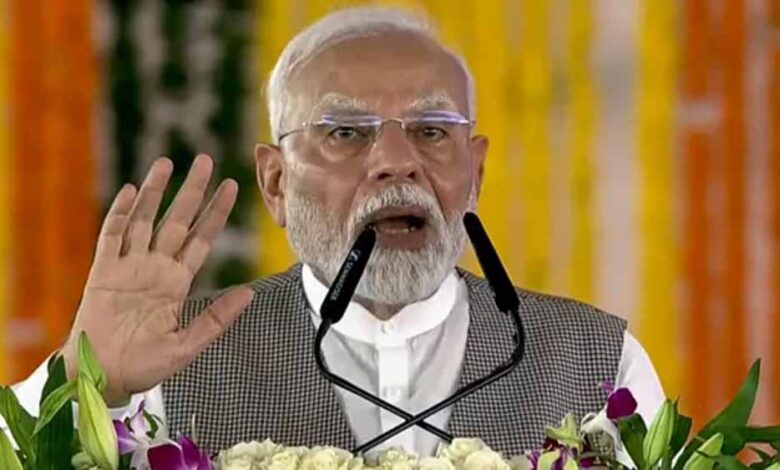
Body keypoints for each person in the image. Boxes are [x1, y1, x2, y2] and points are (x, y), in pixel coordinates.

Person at [4, 6, 664, 458]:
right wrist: (87, 384)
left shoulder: (600, 363)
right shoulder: (165, 360)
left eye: (432, 131)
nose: (396, 161)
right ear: (275, 183)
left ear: (477, 172)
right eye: (347, 132)